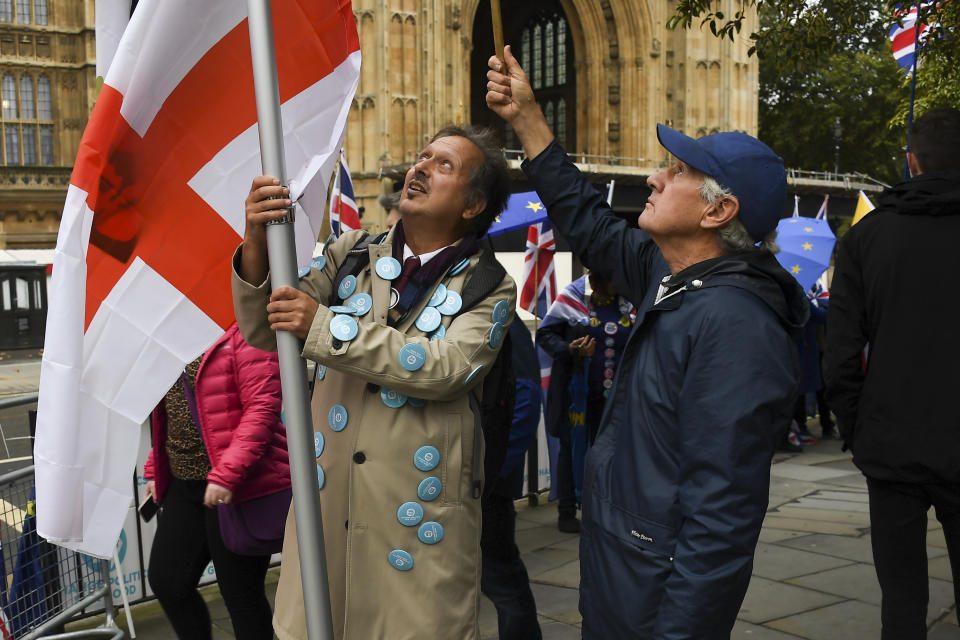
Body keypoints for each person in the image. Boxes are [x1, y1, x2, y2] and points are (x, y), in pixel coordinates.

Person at [486, 47, 808, 638]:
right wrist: (528, 119)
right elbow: (588, 220)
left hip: (653, 584)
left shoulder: (737, 326)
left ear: (719, 211)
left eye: (680, 172)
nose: (655, 176)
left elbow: (722, 518)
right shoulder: (673, 277)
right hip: (623, 566)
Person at [232, 125, 515, 640]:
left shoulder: (490, 284)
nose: (420, 168)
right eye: (421, 156)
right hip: (329, 516)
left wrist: (322, 325)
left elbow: (447, 368)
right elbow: (264, 326)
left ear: (473, 205)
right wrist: (255, 239)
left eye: (443, 165)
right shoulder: (351, 252)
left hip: (415, 529)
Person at [824, 107, 960, 640]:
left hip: (892, 442)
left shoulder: (866, 238)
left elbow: (839, 354)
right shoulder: (867, 236)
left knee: (901, 602)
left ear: (911, 163)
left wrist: (858, 428)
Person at [143, 322, 290, 640]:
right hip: (185, 483)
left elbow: (263, 407)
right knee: (168, 582)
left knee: (241, 596)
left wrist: (226, 474)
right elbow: (170, 410)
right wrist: (156, 467)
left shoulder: (244, 328)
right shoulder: (170, 331)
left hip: (236, 486)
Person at [537, 272, 635, 532]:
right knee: (571, 449)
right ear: (598, 278)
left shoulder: (631, 301)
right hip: (576, 393)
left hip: (618, 396)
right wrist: (571, 348)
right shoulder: (572, 298)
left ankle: (605, 509)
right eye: (613, 273)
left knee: (612, 451)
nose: (618, 280)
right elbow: (545, 335)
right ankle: (567, 511)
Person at [480, 313, 542, 640]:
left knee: (503, 583)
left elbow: (527, 397)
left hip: (486, 491)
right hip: (471, 485)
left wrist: (490, 478)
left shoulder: (499, 313)